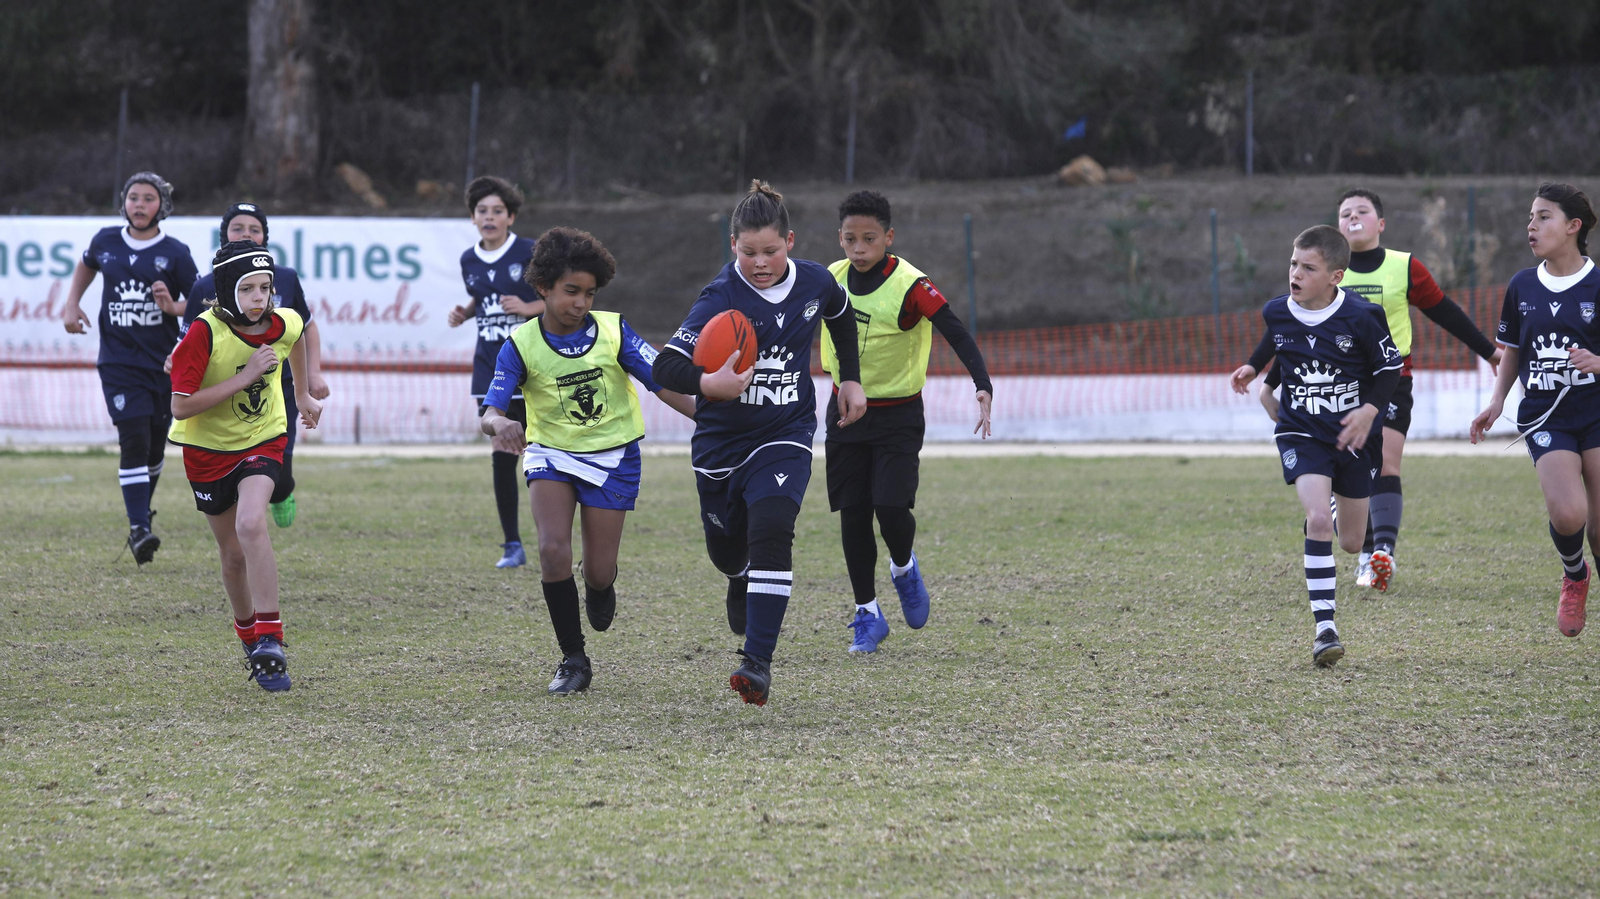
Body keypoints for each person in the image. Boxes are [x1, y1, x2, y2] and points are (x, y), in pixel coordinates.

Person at [652, 180, 867, 705]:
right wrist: (708, 384)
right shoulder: (721, 296)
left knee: (773, 529)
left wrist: (851, 379)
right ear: (733, 247)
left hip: (786, 433)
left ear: (790, 242)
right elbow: (665, 365)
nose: (761, 262)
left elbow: (839, 316)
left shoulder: (815, 282)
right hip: (721, 445)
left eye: (770, 250)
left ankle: (757, 662)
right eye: (749, 252)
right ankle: (738, 574)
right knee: (727, 551)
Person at [1246, 189, 1501, 592]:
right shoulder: (1318, 269)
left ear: (1380, 223)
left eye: (1362, 211)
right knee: (1346, 487)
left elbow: (1444, 310)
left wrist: (1488, 350)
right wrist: (1264, 378)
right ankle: (1354, 537)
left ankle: (1380, 553)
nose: (1353, 217)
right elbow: (1294, 338)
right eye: (1344, 212)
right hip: (1330, 388)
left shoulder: (1404, 267)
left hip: (1390, 381)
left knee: (1387, 463)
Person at [479, 227, 696, 695]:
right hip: (550, 454)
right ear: (543, 288)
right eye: (571, 291)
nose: (580, 303)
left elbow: (663, 382)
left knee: (598, 571)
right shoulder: (520, 344)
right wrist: (501, 425)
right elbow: (491, 413)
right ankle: (573, 659)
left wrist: (713, 418)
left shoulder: (615, 331)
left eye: (589, 293)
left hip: (614, 457)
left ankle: (600, 586)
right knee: (552, 550)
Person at [821, 190, 993, 653]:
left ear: (888, 238)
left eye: (869, 239)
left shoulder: (911, 285)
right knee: (853, 514)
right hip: (843, 412)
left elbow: (954, 329)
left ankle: (903, 566)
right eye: (850, 239)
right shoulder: (826, 281)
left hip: (897, 416)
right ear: (839, 238)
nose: (859, 248)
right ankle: (867, 615)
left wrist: (982, 383)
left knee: (891, 509)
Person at [1229, 225, 1402, 667]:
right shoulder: (1277, 310)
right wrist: (1254, 369)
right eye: (1293, 264)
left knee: (1348, 542)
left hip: (1354, 436)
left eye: (1309, 268)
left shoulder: (1362, 317)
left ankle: (1327, 506)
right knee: (1318, 521)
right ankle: (1325, 628)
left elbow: (1389, 369)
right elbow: (1280, 339)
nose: (1296, 274)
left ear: (1335, 277)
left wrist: (1369, 411)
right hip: (1301, 430)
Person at [167, 241, 323, 691]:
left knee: (252, 524)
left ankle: (271, 638)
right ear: (225, 290)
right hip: (206, 451)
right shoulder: (202, 332)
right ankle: (250, 639)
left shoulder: (282, 320)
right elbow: (181, 407)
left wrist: (303, 394)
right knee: (233, 556)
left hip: (263, 439)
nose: (260, 298)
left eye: (266, 287)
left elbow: (294, 340)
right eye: (249, 289)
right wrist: (245, 376)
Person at [1471, 182, 1600, 638]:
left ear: (1572, 226)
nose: (1532, 225)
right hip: (1546, 415)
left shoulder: (1598, 283)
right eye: (1530, 217)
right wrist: (1496, 403)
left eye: (1543, 216)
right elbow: (1512, 350)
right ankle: (1574, 574)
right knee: (1568, 515)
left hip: (1597, 413)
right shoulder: (1523, 285)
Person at [61, 172, 199, 565]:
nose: (139, 205)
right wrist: (73, 303)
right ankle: (140, 529)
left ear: (163, 207)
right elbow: (87, 264)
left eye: (148, 199)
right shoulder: (105, 240)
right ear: (123, 203)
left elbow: (199, 302)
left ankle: (141, 515)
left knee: (156, 445)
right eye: (133, 197)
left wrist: (172, 307)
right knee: (134, 439)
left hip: (162, 363)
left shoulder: (175, 252)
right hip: (118, 363)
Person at [172, 203, 330, 528]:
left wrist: (308, 381)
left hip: (278, 384)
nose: (246, 234)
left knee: (279, 474)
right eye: (238, 228)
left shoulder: (285, 277)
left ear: (266, 238)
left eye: (254, 229)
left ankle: (280, 493)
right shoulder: (205, 286)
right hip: (224, 399)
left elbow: (302, 327)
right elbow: (187, 342)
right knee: (236, 531)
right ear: (223, 237)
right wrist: (175, 359)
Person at [450, 176, 545, 568]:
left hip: (534, 367)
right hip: (490, 370)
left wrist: (527, 308)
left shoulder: (529, 251)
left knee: (542, 453)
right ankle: (512, 545)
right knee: (502, 451)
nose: (489, 217)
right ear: (473, 218)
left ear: (511, 217)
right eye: (482, 211)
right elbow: (483, 297)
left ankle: (553, 538)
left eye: (497, 211)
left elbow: (557, 297)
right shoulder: (468, 260)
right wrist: (465, 312)